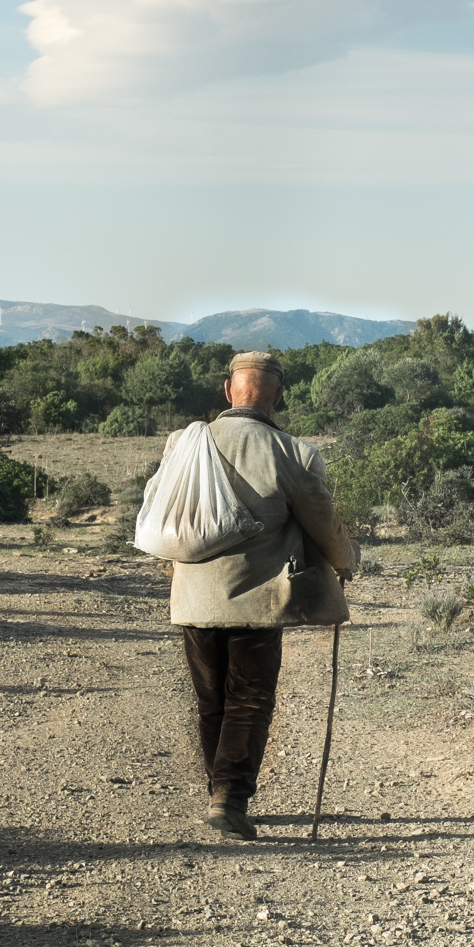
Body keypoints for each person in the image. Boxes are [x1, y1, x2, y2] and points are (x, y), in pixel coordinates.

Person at [169, 350, 360, 840]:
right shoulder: (293, 453)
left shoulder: (184, 444)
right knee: (249, 698)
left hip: (193, 596)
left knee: (211, 698)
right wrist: (346, 559)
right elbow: (323, 524)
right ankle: (229, 799)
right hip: (257, 600)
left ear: (229, 390)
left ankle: (220, 790)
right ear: (277, 396)